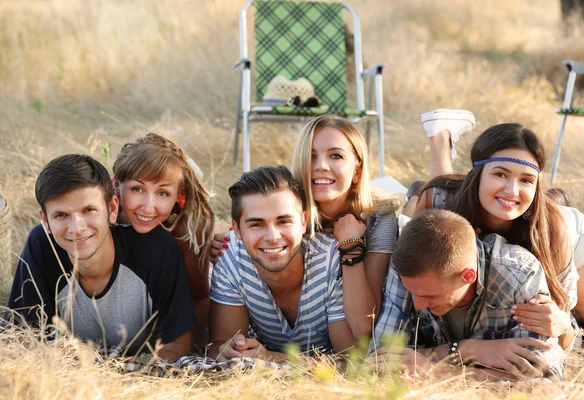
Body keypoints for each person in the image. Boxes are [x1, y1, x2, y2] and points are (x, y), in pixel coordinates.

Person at [409, 115, 584, 350]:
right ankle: (440, 140)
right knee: (439, 193)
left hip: (568, 237)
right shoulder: (438, 199)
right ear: (477, 175)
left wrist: (563, 326)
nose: (512, 190)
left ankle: (558, 199)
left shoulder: (556, 229)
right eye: (500, 174)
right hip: (462, 200)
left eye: (526, 180)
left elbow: (563, 341)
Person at [211, 116, 403, 339]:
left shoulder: (380, 217)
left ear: (357, 171)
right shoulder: (287, 206)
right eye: (311, 157)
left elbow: (364, 324)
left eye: (336, 156)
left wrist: (350, 244)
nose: (321, 166)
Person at [6, 154, 195, 362]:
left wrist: (116, 372)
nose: (77, 228)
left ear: (112, 209)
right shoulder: (42, 244)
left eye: (89, 210)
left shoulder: (156, 249)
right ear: (46, 221)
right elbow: (22, 337)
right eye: (61, 215)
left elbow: (177, 347)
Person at [372, 209, 563, 380]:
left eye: (431, 296)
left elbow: (540, 382)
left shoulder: (519, 274)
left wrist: (434, 370)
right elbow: (379, 359)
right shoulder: (409, 271)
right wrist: (465, 350)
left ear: (468, 276)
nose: (419, 304)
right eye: (413, 293)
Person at [207, 166, 355, 361]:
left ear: (303, 221)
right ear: (236, 229)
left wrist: (270, 358)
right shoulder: (231, 256)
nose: (272, 237)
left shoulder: (331, 258)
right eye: (256, 224)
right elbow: (218, 345)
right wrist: (230, 351)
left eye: (283, 221)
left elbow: (352, 361)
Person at [112, 133, 214, 346]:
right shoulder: (99, 221)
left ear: (178, 196)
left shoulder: (188, 230)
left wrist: (178, 350)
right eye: (137, 189)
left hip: (170, 328)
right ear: (116, 185)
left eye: (163, 193)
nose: (148, 207)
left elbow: (200, 298)